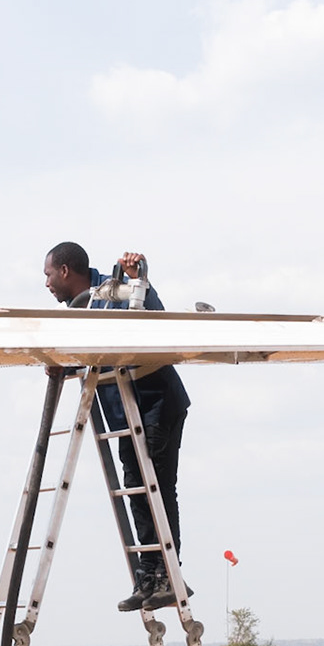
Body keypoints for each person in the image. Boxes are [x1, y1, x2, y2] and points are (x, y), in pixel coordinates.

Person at [43, 241, 192, 612]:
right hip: (125, 415)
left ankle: (168, 577)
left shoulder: (114, 291)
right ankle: (151, 576)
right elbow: (99, 359)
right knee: (137, 491)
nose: (46, 284)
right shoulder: (79, 312)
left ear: (65, 271)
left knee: (155, 488)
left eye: (48, 275)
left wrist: (139, 277)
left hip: (155, 402)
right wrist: (65, 364)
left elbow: (153, 317)